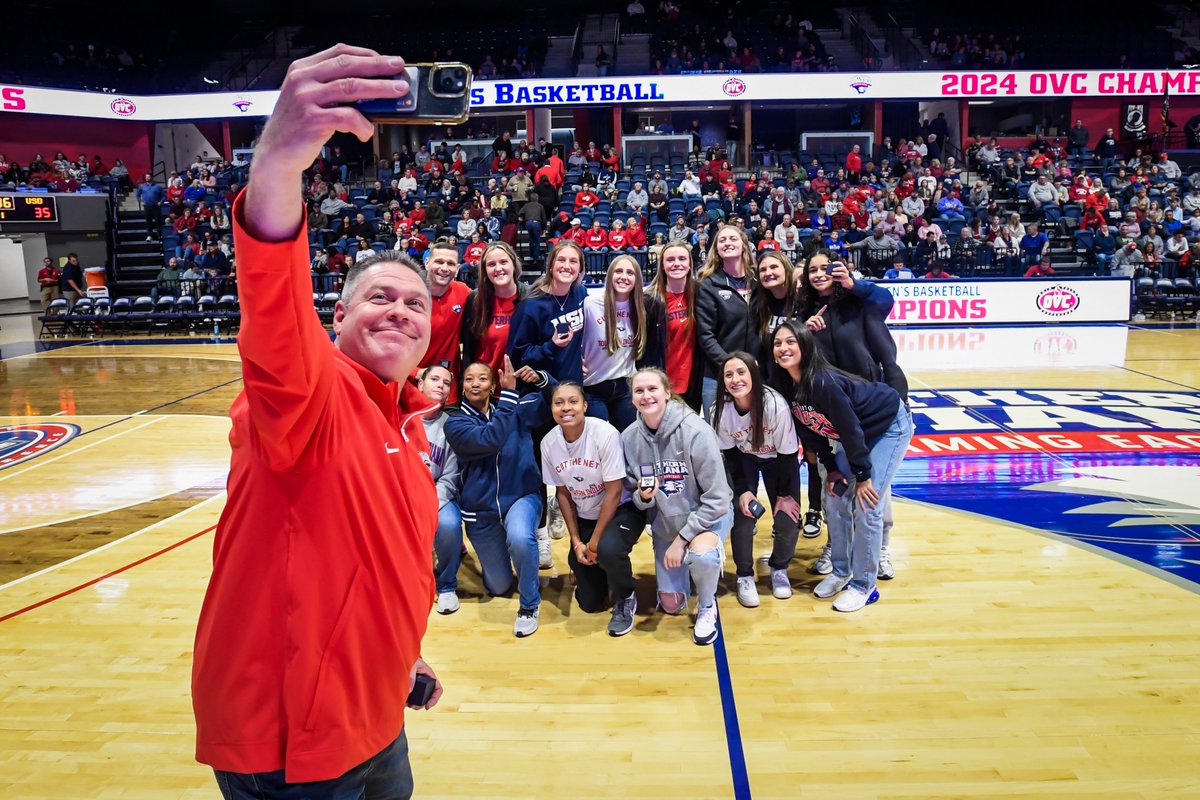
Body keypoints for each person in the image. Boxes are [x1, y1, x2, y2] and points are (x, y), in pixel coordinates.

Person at [192, 43, 443, 800]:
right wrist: (275, 168)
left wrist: (407, 655)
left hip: (377, 714)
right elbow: (272, 309)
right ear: (335, 316)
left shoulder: (408, 423)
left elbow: (377, 571)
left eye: (416, 304)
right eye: (380, 297)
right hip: (291, 744)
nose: (400, 309)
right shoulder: (307, 392)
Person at [771, 321, 913, 612]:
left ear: (805, 346)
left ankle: (864, 586)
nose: (783, 348)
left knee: (868, 505)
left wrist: (863, 476)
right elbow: (809, 428)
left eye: (790, 342)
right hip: (857, 434)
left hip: (888, 427)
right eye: (777, 343)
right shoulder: (786, 384)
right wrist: (830, 466)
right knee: (834, 497)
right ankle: (840, 570)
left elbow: (849, 430)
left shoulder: (823, 381)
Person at [622, 367, 734, 644]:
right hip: (666, 524)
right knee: (671, 604)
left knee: (703, 556)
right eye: (639, 391)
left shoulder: (696, 431)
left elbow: (718, 498)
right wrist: (644, 497)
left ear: (667, 393)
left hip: (707, 518)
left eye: (652, 389)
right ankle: (689, 566)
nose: (646, 396)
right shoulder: (628, 438)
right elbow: (632, 494)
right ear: (632, 398)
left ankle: (707, 604)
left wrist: (682, 540)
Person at [444, 357, 554, 637]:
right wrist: (508, 398)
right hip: (481, 512)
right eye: (469, 379)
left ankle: (529, 605)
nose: (475, 383)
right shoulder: (455, 423)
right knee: (499, 587)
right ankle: (518, 561)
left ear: (493, 384)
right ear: (463, 386)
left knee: (520, 537)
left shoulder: (515, 406)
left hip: (521, 496)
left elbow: (558, 397)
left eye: (482, 378)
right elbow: (489, 439)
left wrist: (541, 378)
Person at [541, 382, 646, 635]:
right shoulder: (548, 443)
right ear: (552, 408)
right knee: (589, 603)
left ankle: (626, 597)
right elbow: (563, 493)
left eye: (573, 401)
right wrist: (576, 542)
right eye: (559, 403)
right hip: (587, 516)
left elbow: (614, 492)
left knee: (608, 550)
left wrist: (595, 542)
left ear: (585, 406)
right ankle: (591, 566)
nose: (566, 408)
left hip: (622, 509)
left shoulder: (605, 434)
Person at [713, 352, 802, 607]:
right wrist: (742, 491)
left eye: (741, 372)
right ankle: (744, 574)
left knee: (788, 517)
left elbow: (788, 455)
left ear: (753, 374)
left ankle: (779, 568)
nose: (735, 379)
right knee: (742, 516)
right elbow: (729, 454)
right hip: (744, 459)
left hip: (779, 460)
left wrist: (785, 495)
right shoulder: (721, 410)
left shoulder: (775, 405)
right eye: (729, 374)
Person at [696, 224, 757, 416]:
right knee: (717, 438)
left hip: (756, 373)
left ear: (743, 245)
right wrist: (731, 367)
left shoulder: (758, 281)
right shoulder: (708, 284)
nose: (727, 243)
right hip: (717, 375)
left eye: (733, 239)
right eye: (722, 240)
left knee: (755, 436)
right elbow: (705, 335)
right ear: (716, 250)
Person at [417, 366, 464, 615]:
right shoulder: (399, 419)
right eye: (434, 379)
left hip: (436, 495)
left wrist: (429, 503)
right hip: (402, 497)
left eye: (446, 383)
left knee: (447, 524)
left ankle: (446, 586)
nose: (441, 386)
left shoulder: (450, 426)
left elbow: (450, 475)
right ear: (419, 385)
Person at [581, 255, 647, 431]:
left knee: (628, 442)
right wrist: (573, 358)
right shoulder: (591, 304)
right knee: (600, 445)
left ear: (637, 279)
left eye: (630, 272)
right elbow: (572, 337)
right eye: (618, 271)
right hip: (593, 386)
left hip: (625, 386)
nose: (624, 276)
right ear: (610, 275)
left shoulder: (640, 306)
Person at [645, 242, 703, 410]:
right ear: (662, 265)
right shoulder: (650, 300)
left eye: (682, 259)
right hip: (661, 383)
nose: (676, 263)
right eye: (670, 259)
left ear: (690, 264)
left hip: (693, 382)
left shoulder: (701, 294)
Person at [419, 243, 469, 401]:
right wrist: (416, 373)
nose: (445, 268)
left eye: (451, 264)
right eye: (439, 262)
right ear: (427, 263)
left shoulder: (463, 292)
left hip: (449, 393)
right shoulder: (411, 295)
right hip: (414, 386)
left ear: (458, 268)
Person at [137, 174, 165, 242]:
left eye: (148, 177)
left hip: (156, 206)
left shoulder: (158, 186)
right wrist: (141, 201)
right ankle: (149, 235)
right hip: (147, 206)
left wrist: (160, 202)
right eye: (146, 177)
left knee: (158, 221)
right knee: (148, 222)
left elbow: (164, 196)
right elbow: (138, 195)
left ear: (152, 177)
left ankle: (160, 235)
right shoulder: (142, 186)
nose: (147, 178)